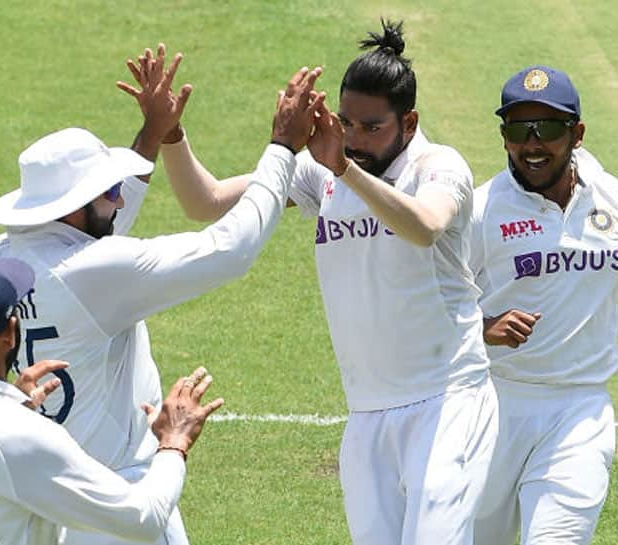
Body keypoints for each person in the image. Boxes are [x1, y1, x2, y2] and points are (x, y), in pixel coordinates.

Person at [126, 22, 498, 545]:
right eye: (345, 123)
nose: (355, 138)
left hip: (448, 400)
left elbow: (425, 226)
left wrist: (344, 168)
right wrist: (171, 135)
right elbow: (204, 202)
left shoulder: (438, 167)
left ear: (408, 123)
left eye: (373, 127)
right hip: (367, 411)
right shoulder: (319, 171)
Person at [0, 60, 325, 545]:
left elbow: (93, 240)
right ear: (73, 207)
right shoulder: (94, 273)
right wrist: (282, 147)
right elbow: (231, 249)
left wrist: (152, 135)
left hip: (47, 510)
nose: (120, 201)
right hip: (121, 506)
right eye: (109, 192)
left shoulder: (0, 258)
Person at [470, 65, 618, 545]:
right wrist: (482, 326)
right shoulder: (480, 211)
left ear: (578, 134)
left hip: (579, 410)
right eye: (516, 130)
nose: (531, 144)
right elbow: (437, 299)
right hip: (490, 405)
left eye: (546, 129)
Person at [0, 256, 224, 545]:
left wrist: (11, 408)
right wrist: (173, 443)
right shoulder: (22, 436)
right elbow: (142, 519)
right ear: (10, 332)